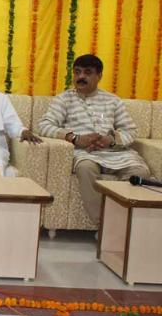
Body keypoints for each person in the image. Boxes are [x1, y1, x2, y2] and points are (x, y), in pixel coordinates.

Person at [38, 54, 150, 224]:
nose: (81, 77)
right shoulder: (64, 99)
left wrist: (111, 140)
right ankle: (103, 225)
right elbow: (45, 125)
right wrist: (74, 138)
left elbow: (130, 130)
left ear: (99, 76)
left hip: (116, 153)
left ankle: (124, 224)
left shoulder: (113, 101)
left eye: (87, 72)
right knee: (85, 168)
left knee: (140, 173)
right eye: (77, 72)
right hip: (86, 153)